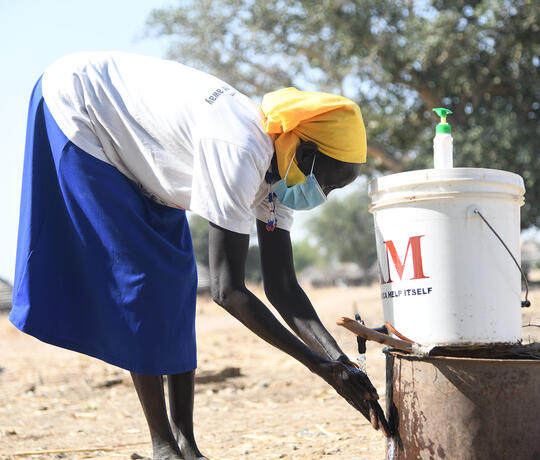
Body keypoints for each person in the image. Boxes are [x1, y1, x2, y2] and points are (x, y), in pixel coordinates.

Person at [10, 51, 389, 460]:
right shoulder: (241, 149)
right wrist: (321, 368)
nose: (324, 195)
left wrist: (341, 363)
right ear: (306, 153)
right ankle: (163, 447)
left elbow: (283, 286)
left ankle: (186, 444)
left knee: (177, 277)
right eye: (328, 182)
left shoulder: (284, 171)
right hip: (80, 107)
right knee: (143, 278)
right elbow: (229, 292)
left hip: (138, 143)